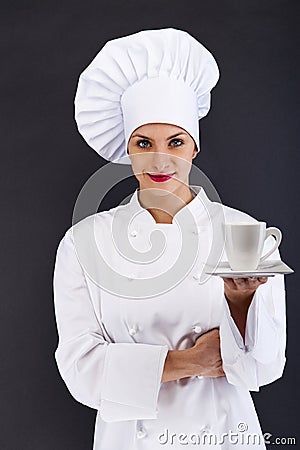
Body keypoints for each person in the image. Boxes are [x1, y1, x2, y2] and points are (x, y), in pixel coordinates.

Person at [53, 29, 286, 449]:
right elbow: (80, 372)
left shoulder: (245, 232)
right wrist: (189, 361)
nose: (161, 160)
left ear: (194, 148)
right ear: (127, 149)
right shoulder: (84, 242)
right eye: (144, 143)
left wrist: (240, 305)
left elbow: (266, 370)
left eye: (175, 142)